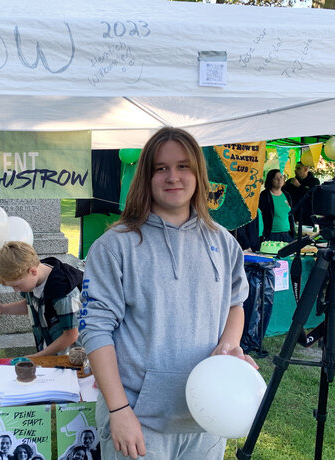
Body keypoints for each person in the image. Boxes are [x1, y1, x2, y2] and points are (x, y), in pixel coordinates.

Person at [78, 127, 252, 460]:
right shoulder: (115, 246)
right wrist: (118, 411)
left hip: (206, 417)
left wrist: (228, 350)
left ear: (199, 174)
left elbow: (235, 304)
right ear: (147, 176)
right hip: (139, 423)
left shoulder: (224, 242)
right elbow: (95, 329)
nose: (173, 176)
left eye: (183, 166)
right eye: (161, 168)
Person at [0, 241, 82, 357]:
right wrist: (2, 308)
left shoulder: (64, 293)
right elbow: (31, 305)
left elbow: (71, 335)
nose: (16, 290)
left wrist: (39, 356)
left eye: (16, 285)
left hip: (71, 359)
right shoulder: (34, 279)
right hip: (50, 353)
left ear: (32, 271)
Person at [259, 168, 295, 242]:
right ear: (270, 180)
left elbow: (291, 214)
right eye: (276, 178)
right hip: (271, 235)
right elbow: (260, 216)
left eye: (281, 177)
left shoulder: (287, 194)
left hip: (286, 234)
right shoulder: (265, 195)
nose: (279, 180)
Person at [282, 161, 320, 227]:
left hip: (307, 215)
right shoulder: (291, 181)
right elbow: (283, 194)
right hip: (293, 214)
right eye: (295, 168)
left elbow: (313, 196)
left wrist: (299, 186)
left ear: (305, 170)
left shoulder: (314, 181)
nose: (295, 171)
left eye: (298, 168)